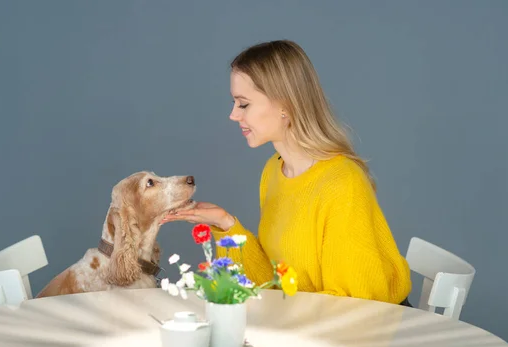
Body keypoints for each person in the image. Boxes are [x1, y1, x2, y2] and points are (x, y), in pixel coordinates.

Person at [162, 39, 412, 305]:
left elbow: (353, 304)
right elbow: (277, 283)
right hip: (313, 323)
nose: (233, 115)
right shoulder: (274, 170)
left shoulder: (342, 184)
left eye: (243, 104)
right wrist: (225, 223)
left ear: (285, 105)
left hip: (369, 331)